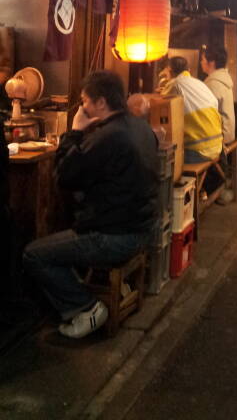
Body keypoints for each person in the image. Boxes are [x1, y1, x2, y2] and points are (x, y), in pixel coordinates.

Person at [22, 70, 159, 339]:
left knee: (33, 254)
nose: (82, 107)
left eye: (84, 101)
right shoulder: (140, 127)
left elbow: (64, 176)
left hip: (113, 237)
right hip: (142, 227)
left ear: (101, 103)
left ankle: (86, 307)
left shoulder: (108, 136)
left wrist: (74, 132)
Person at [160, 56, 223, 165]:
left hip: (198, 151)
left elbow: (160, 104)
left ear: (170, 71)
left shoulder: (175, 84)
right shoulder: (200, 84)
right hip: (217, 146)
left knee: (161, 160)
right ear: (188, 70)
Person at [201, 47, 235, 146]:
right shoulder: (223, 77)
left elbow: (205, 114)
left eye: (203, 59)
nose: (201, 62)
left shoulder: (213, 84)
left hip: (222, 136)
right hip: (228, 132)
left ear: (211, 63)